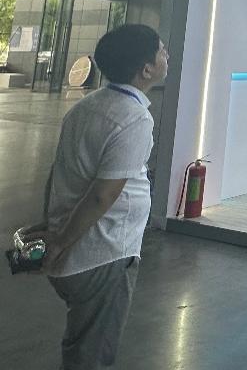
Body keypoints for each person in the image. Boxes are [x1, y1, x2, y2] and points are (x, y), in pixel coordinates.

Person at [20, 24, 167, 370]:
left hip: (80, 247)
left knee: (83, 338)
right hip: (102, 252)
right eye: (162, 50)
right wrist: (59, 242)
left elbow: (59, 171)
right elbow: (103, 195)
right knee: (92, 350)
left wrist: (52, 221)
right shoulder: (133, 118)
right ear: (146, 69)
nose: (167, 56)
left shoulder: (87, 106)